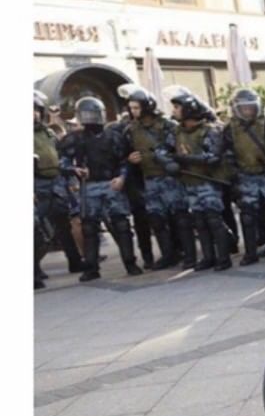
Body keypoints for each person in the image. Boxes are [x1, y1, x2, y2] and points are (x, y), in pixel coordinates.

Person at [58, 97, 143, 281]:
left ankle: (130, 262)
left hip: (111, 182)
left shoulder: (114, 136)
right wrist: (75, 169)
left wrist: (121, 177)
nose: (90, 118)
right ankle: (91, 267)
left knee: (121, 224)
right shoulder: (74, 138)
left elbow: (124, 161)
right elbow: (62, 161)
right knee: (89, 227)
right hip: (89, 185)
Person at [220, 89, 265, 264]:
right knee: (248, 216)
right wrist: (235, 175)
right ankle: (251, 253)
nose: (248, 111)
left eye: (250, 108)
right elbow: (227, 154)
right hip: (246, 176)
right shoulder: (230, 129)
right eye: (243, 108)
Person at [121, 88, 188, 270]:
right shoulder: (130, 129)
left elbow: (178, 148)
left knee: (179, 216)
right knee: (156, 218)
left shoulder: (167, 125)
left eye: (136, 108)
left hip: (169, 177)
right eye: (131, 108)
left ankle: (187, 252)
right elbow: (124, 153)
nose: (133, 111)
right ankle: (168, 254)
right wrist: (130, 159)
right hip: (149, 178)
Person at [168, 95, 232, 271]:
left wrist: (183, 159)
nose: (174, 111)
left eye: (177, 108)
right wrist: (168, 162)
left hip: (208, 182)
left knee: (213, 219)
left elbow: (213, 158)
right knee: (199, 221)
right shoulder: (177, 131)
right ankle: (208, 257)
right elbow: (164, 150)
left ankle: (224, 257)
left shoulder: (209, 130)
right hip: (190, 182)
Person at [34, 90, 84, 281]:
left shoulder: (47, 132)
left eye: (35, 110)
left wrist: (71, 170)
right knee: (36, 229)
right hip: (35, 183)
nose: (34, 114)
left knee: (63, 223)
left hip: (55, 182)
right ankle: (34, 270)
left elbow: (60, 155)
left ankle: (75, 259)